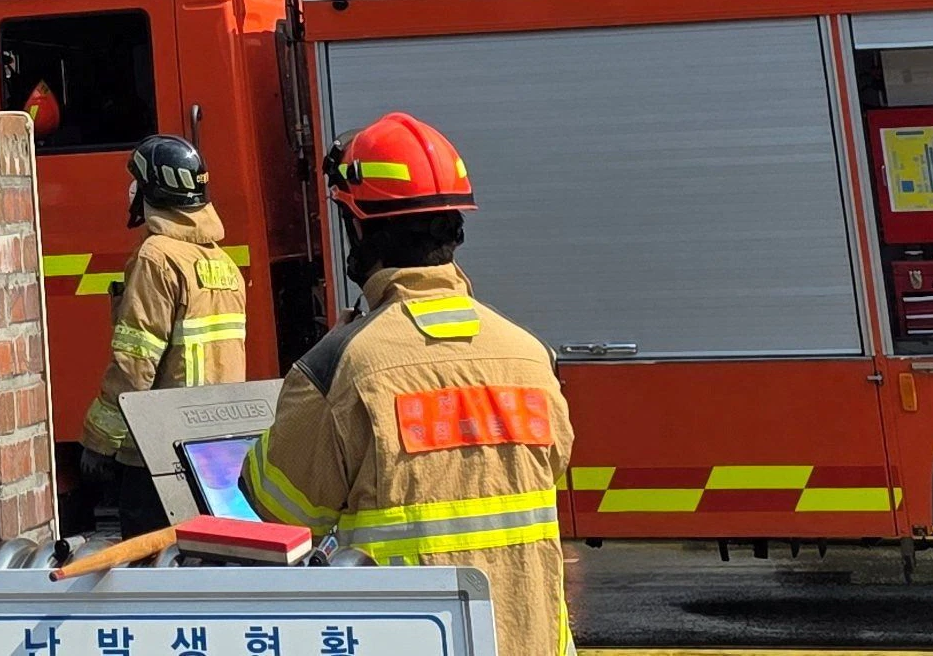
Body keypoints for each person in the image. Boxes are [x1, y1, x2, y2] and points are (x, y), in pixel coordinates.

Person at [245, 112, 570, 655]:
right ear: (455, 228)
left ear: (357, 227)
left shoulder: (340, 366)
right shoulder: (530, 355)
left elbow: (279, 505)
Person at [78, 134, 247, 535]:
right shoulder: (222, 264)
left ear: (151, 188)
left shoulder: (156, 257)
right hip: (217, 451)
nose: (130, 189)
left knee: (154, 570)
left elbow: (135, 362)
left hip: (159, 456)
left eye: (135, 179)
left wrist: (100, 441)